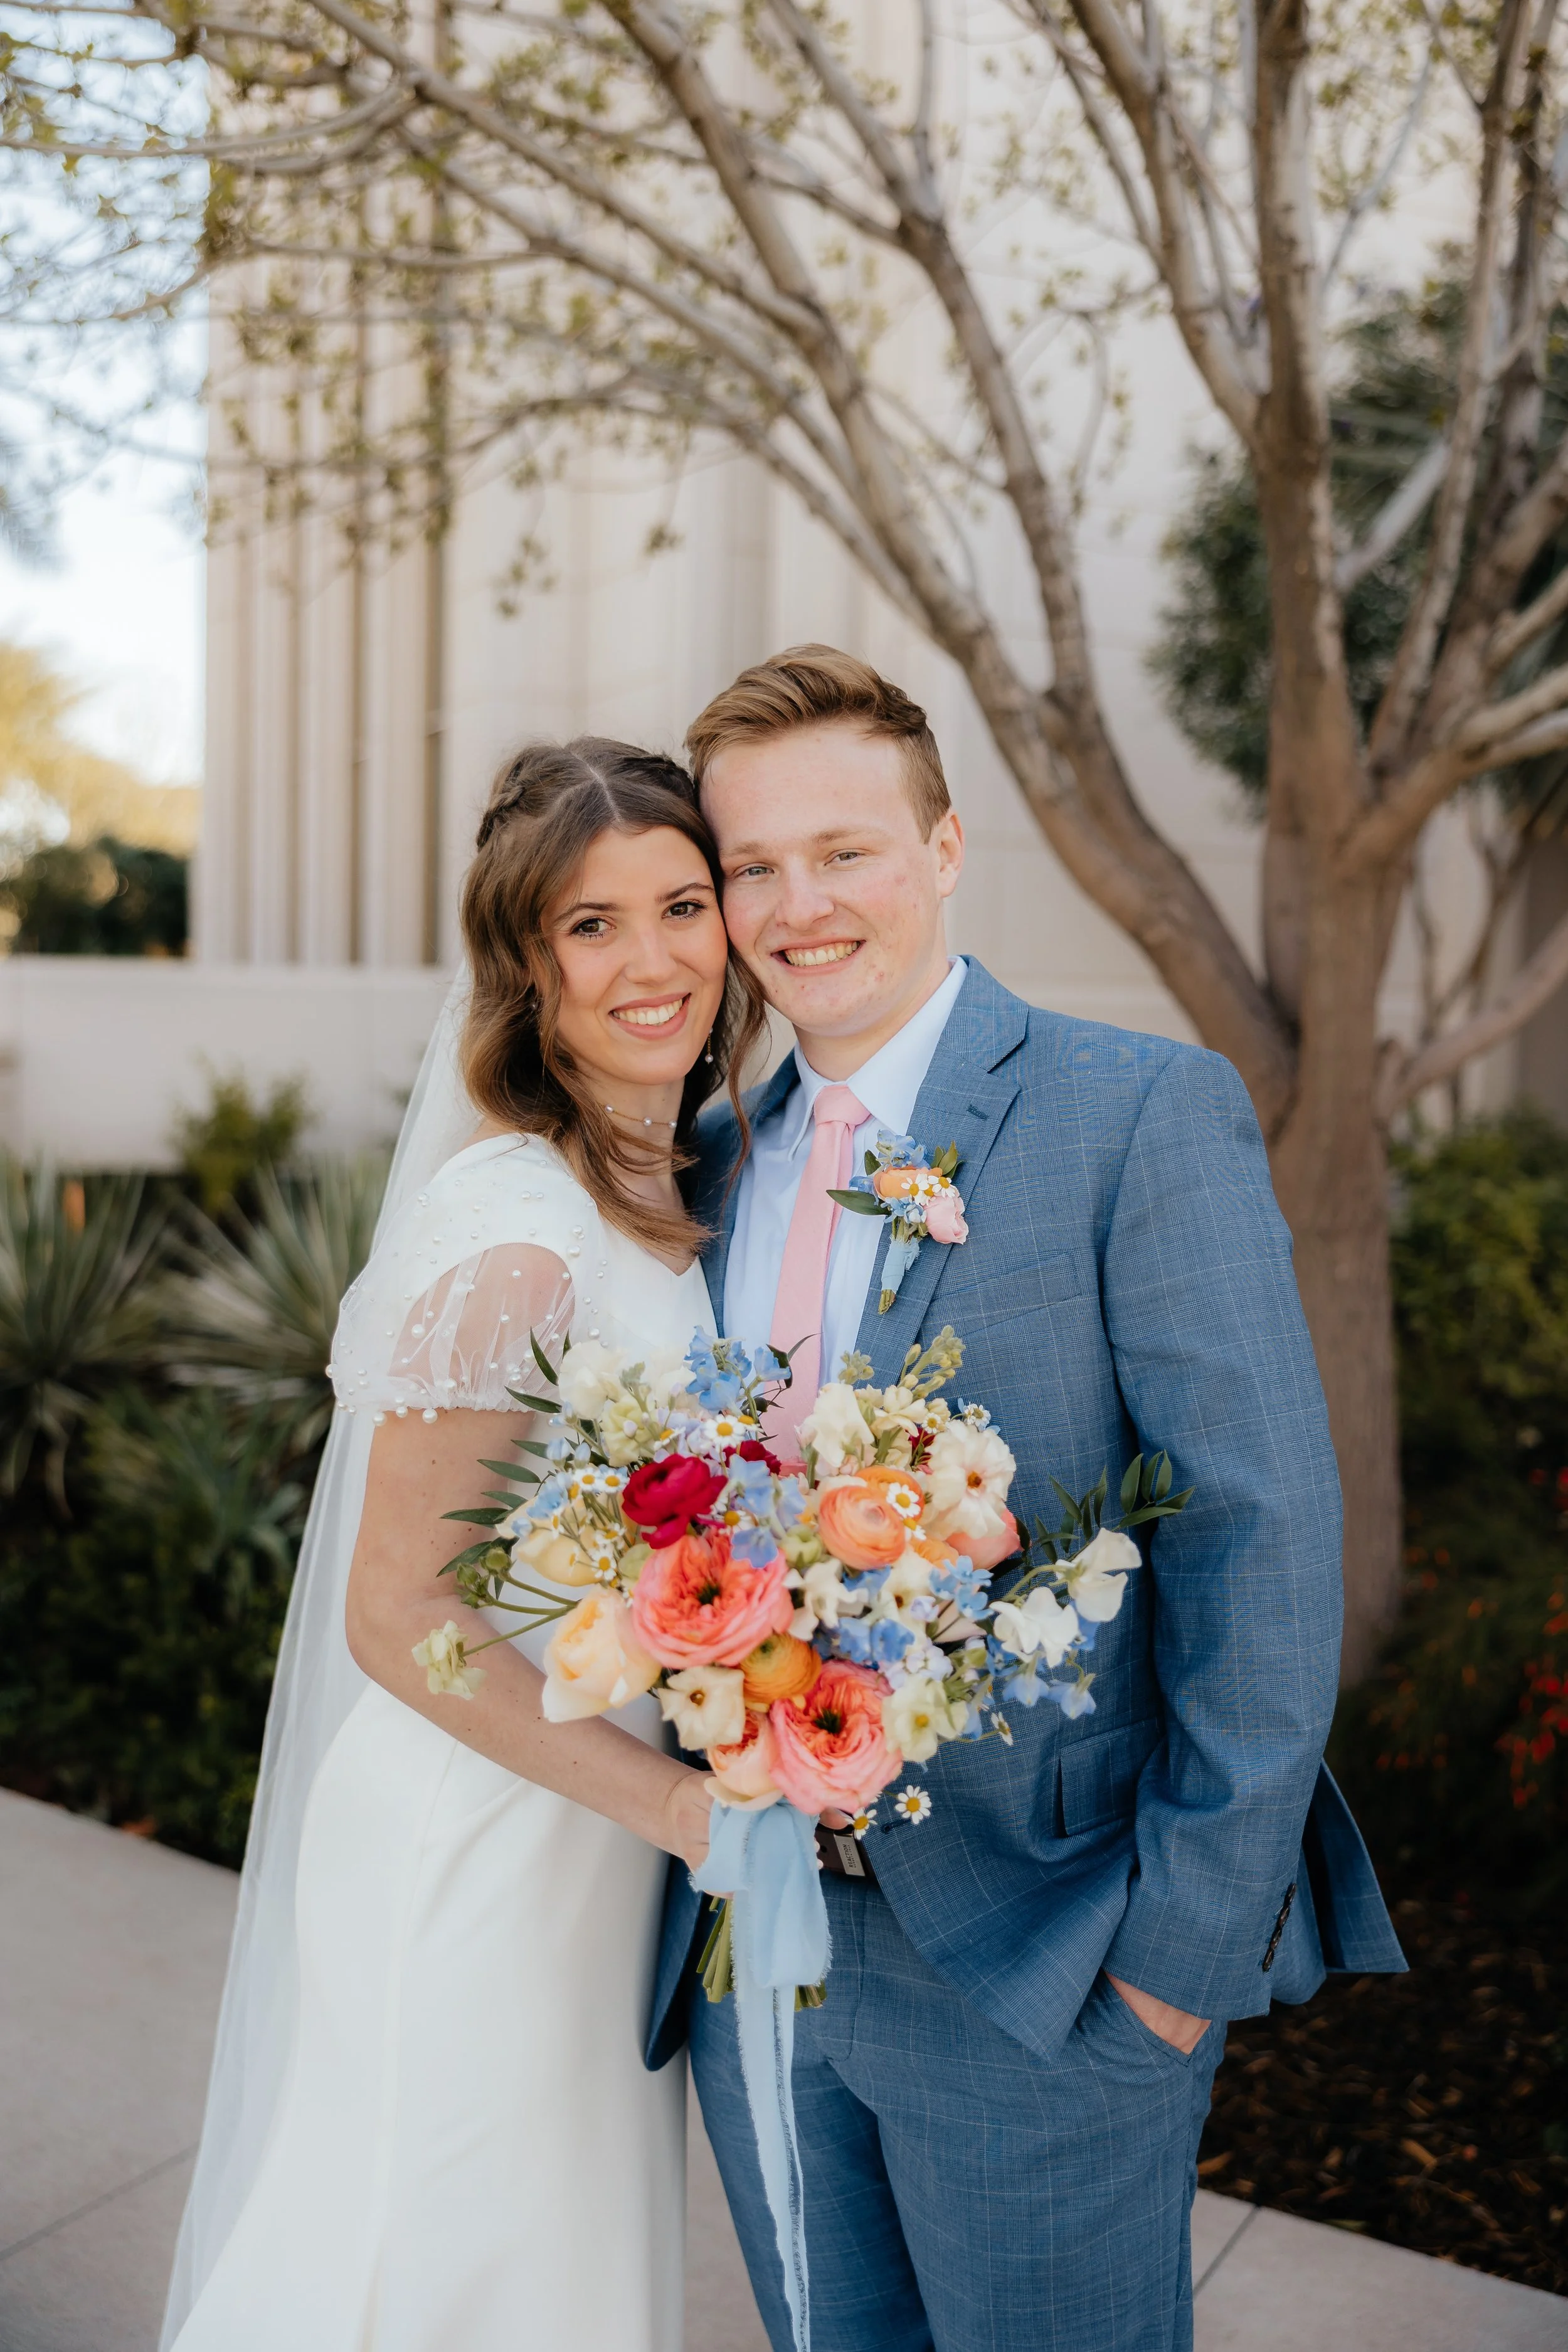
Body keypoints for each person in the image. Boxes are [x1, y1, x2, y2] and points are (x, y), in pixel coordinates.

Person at [649, 646, 1407, 2352]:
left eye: (839, 849)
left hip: (1050, 1965)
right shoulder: (703, 1162)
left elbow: (1256, 1538)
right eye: (747, 867)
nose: (794, 903)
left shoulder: (1135, 1110)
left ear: (940, 847)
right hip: (749, 1946)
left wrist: (1169, 1969)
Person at [162, 739, 769, 2351]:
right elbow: (392, 1609)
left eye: (682, 903)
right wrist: (679, 1809)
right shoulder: (519, 1233)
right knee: (431, 2257)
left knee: (542, 2261)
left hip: (587, 1842)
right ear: (524, 964)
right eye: (590, 925)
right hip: (476, 1837)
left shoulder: (656, 1184)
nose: (652, 961)